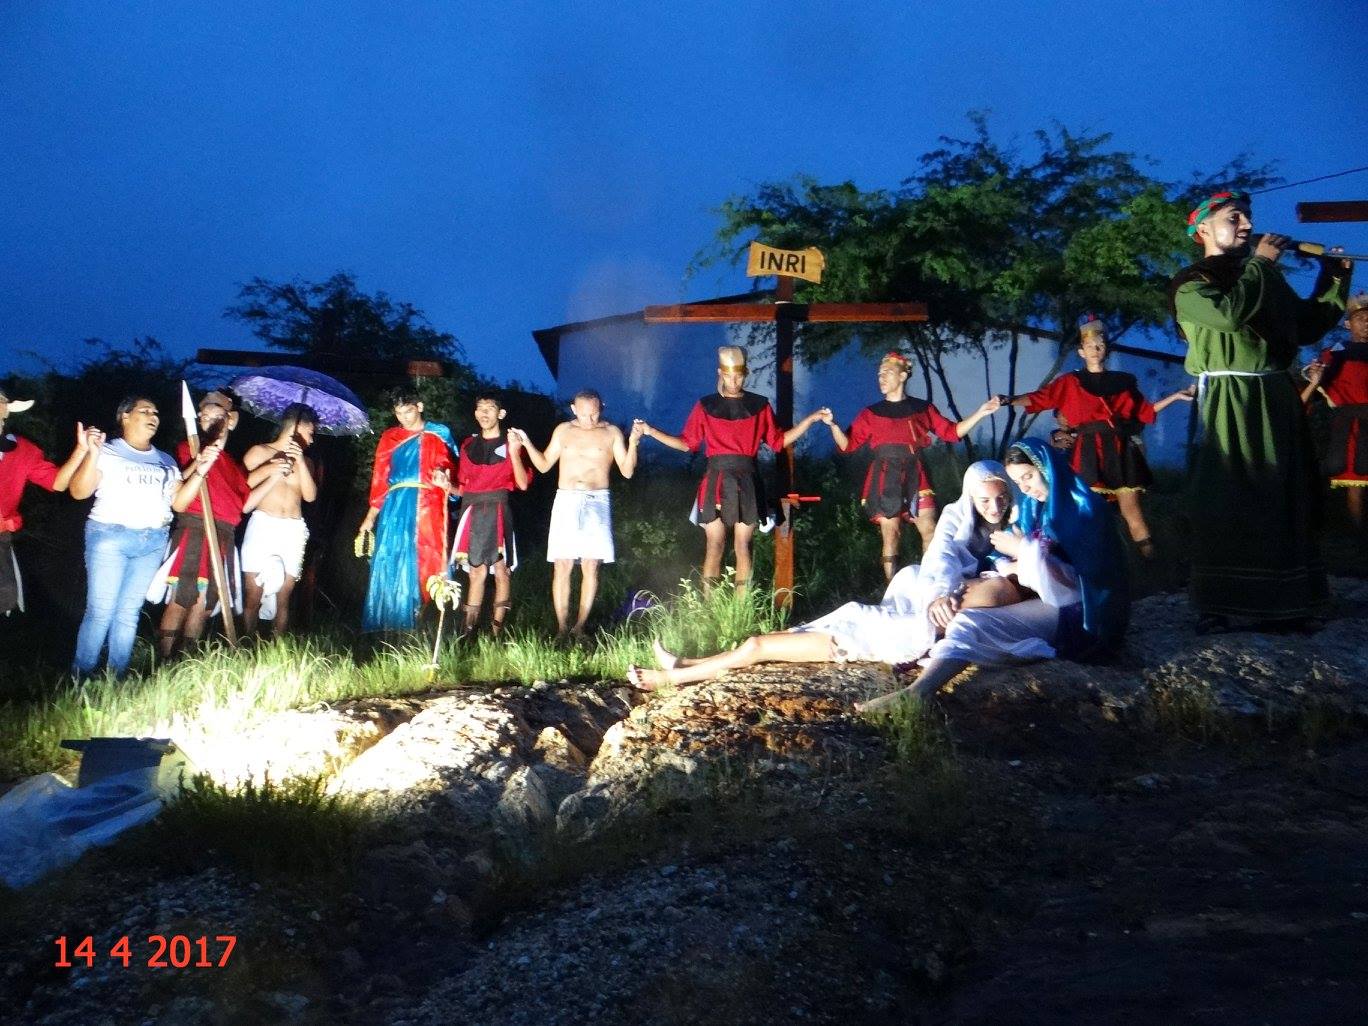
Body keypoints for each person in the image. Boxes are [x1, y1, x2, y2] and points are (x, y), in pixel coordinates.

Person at [626, 460, 1032, 691]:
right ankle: (686, 663)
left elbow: (980, 594)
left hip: (874, 636)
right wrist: (946, 591)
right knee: (770, 642)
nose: (994, 507)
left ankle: (669, 678)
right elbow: (940, 563)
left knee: (757, 646)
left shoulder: (1003, 560)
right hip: (872, 620)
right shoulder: (955, 534)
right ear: (971, 499)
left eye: (1001, 499)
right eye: (985, 500)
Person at [1170, 189, 1352, 630]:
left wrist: (1334, 278)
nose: (1248, 225)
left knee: (1282, 495)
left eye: (1248, 217)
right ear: (1203, 229)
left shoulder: (1260, 276)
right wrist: (1263, 264)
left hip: (1275, 396)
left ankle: (1288, 603)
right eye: (1235, 218)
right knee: (1228, 496)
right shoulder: (1191, 284)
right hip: (1228, 400)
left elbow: (1306, 326)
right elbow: (1229, 316)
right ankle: (1220, 604)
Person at [857, 436, 1130, 712]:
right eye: (1018, 482)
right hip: (1041, 595)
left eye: (1028, 477)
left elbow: (1084, 579)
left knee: (973, 623)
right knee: (947, 605)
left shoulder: (1084, 508)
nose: (1025, 487)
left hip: (1080, 611)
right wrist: (1011, 563)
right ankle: (915, 677)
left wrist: (1025, 552)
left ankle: (917, 692)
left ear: (1046, 468)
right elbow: (986, 554)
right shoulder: (1033, 505)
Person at [634, 346, 827, 589]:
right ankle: (709, 605)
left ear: (745, 374)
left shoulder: (760, 405)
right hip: (715, 480)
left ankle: (740, 606)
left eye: (738, 376)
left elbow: (778, 441)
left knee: (742, 546)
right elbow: (687, 443)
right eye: (728, 376)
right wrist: (651, 431)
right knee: (714, 545)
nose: (734, 381)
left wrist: (809, 420)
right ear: (720, 373)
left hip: (747, 481)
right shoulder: (706, 405)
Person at [1007, 315, 1194, 557]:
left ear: (1106, 349)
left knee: (1132, 511)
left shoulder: (1123, 382)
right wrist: (1009, 400)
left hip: (1121, 451)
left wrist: (1176, 396)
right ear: (1081, 351)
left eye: (1100, 345)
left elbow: (1143, 411)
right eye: (1089, 346)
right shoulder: (1070, 382)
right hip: (1088, 452)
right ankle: (1089, 563)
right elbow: (1040, 398)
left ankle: (1151, 560)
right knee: (1088, 510)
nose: (1095, 350)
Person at [825, 351, 1002, 579]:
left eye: (887, 372)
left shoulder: (922, 409)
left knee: (930, 529)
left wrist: (980, 413)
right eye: (879, 374)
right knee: (891, 534)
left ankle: (930, 582)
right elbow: (847, 445)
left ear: (902, 376)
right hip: (885, 474)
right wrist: (833, 425)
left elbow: (951, 432)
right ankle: (891, 588)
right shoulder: (871, 413)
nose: (881, 378)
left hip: (915, 472)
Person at [67, 396, 208, 677]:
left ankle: (116, 677)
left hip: (152, 541)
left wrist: (200, 472)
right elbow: (79, 492)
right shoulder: (108, 451)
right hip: (110, 536)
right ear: (125, 416)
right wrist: (92, 455)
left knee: (129, 612)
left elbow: (179, 503)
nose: (153, 416)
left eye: (155, 412)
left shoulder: (165, 460)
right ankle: (80, 677)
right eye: (144, 411)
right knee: (101, 611)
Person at [511, 389, 640, 639]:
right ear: (574, 409)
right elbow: (544, 464)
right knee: (563, 563)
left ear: (601, 408)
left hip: (597, 500)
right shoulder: (564, 430)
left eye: (594, 414)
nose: (589, 420)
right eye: (583, 415)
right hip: (567, 499)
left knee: (591, 565)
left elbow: (627, 471)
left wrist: (633, 443)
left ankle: (580, 626)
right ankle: (561, 627)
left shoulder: (611, 432)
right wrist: (526, 443)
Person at [148, 390, 250, 658]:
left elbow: (242, 505)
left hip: (224, 535)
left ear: (231, 420)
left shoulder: (235, 466)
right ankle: (164, 659)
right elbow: (177, 484)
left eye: (215, 413)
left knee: (204, 604)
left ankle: (187, 658)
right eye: (203, 414)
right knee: (182, 597)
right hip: (194, 529)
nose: (207, 418)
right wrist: (201, 461)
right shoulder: (189, 449)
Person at [356, 389, 457, 632]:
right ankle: (393, 623)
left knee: (429, 556)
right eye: (399, 413)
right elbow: (380, 478)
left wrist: (444, 474)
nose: (404, 418)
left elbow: (450, 465)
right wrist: (370, 517)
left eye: (408, 411)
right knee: (392, 556)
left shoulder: (439, 433)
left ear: (419, 406)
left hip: (429, 504)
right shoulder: (390, 437)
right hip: (395, 505)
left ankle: (428, 618)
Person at [0, 386, 87, 615]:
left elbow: (57, 483)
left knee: (5, 596)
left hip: (1, 535)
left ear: (7, 411)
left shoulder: (23, 450)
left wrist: (80, 451)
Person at [451, 393, 531, 636]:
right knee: (476, 571)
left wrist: (515, 452)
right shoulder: (468, 445)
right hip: (471, 512)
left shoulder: (511, 443)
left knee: (501, 570)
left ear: (501, 413)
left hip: (497, 510)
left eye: (490, 408)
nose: (484, 413)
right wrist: (446, 486)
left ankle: (497, 632)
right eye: (480, 408)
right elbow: (462, 488)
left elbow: (522, 483)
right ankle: (468, 631)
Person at [240, 402, 320, 636]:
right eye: (310, 433)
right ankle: (244, 644)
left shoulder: (307, 462)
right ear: (296, 427)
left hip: (293, 529)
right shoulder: (259, 452)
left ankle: (278, 648)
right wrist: (270, 470)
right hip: (263, 525)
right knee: (253, 593)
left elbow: (310, 496)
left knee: (284, 594)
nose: (311, 440)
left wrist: (300, 461)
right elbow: (242, 486)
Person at [1302, 293, 1368, 529]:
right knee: (1356, 483)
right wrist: (1315, 377)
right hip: (1352, 426)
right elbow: (1318, 382)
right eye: (1360, 318)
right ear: (1348, 324)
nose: (1367, 323)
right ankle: (1357, 535)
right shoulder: (1335, 354)